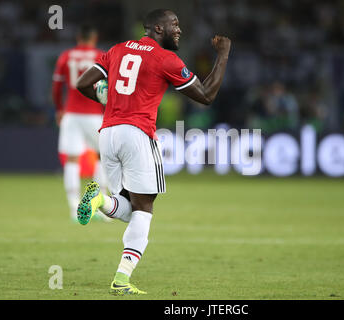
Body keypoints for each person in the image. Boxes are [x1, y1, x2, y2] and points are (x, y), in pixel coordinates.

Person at [76, 9, 231, 295]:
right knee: (144, 211)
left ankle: (99, 200)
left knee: (129, 208)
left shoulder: (117, 50)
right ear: (157, 28)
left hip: (108, 135)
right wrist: (222, 55)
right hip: (137, 134)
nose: (179, 30)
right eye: (174, 25)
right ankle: (121, 280)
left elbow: (83, 83)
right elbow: (207, 95)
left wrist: (105, 96)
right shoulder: (165, 59)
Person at [52, 24, 110, 222]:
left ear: (78, 37)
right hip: (94, 114)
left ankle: (73, 208)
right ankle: (100, 206)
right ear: (94, 38)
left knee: (72, 160)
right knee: (102, 157)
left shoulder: (66, 56)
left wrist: (59, 108)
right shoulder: (101, 56)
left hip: (72, 114)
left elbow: (57, 86)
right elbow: (109, 88)